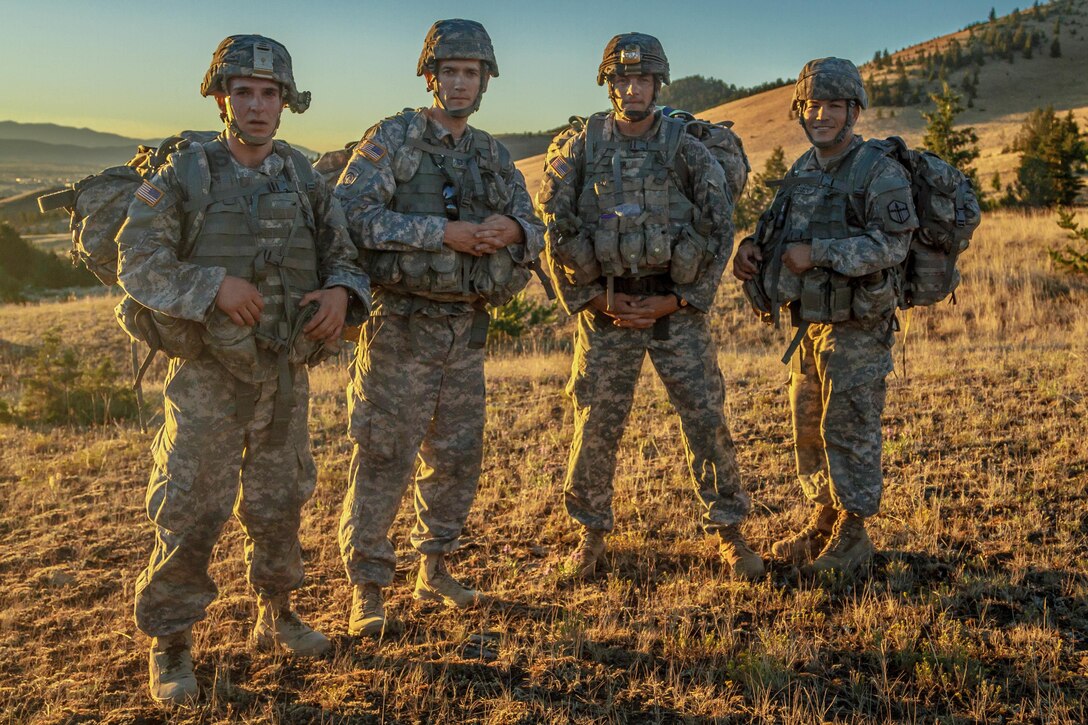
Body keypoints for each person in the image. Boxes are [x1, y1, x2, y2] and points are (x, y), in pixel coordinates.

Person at [116, 35, 370, 705]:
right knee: (192, 507)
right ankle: (171, 644)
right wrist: (211, 287)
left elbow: (344, 253)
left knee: (280, 500)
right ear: (222, 97)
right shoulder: (185, 172)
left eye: (270, 93)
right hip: (209, 375)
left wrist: (342, 294)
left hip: (284, 370)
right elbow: (136, 260)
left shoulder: (303, 175)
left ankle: (279, 611)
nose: (258, 106)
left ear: (286, 102)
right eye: (245, 91)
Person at [335, 19, 544, 637]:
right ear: (431, 76)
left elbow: (533, 224)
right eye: (449, 71)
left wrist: (513, 230)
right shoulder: (393, 138)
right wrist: (441, 232)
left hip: (463, 328)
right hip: (399, 326)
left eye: (470, 73)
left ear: (485, 82)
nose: (459, 83)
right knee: (383, 456)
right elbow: (351, 215)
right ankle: (368, 588)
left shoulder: (490, 153)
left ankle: (436, 565)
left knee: (455, 456)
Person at [536, 33, 763, 582]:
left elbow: (716, 226)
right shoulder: (583, 147)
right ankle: (589, 534)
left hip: (675, 310)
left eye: (641, 78)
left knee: (705, 417)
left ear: (659, 83)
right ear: (608, 83)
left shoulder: (687, 145)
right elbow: (555, 223)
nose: (631, 87)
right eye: (621, 78)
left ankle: (728, 530)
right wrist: (592, 298)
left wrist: (677, 298)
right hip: (605, 309)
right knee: (595, 424)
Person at [732, 57, 918, 575]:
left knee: (850, 427)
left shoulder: (877, 170)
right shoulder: (804, 169)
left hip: (857, 329)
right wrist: (750, 249)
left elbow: (892, 245)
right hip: (809, 323)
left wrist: (820, 254)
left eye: (833, 106)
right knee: (809, 428)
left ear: (853, 111)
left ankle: (853, 534)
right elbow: (777, 230)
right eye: (812, 105)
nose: (821, 115)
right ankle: (824, 519)